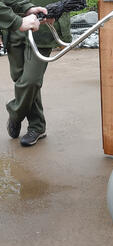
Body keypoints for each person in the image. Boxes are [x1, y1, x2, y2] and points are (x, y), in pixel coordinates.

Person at [4, 0, 67, 146]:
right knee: (19, 78)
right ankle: (37, 127)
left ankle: (15, 112)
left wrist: (56, 11)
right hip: (11, 26)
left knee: (31, 80)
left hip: (41, 25)